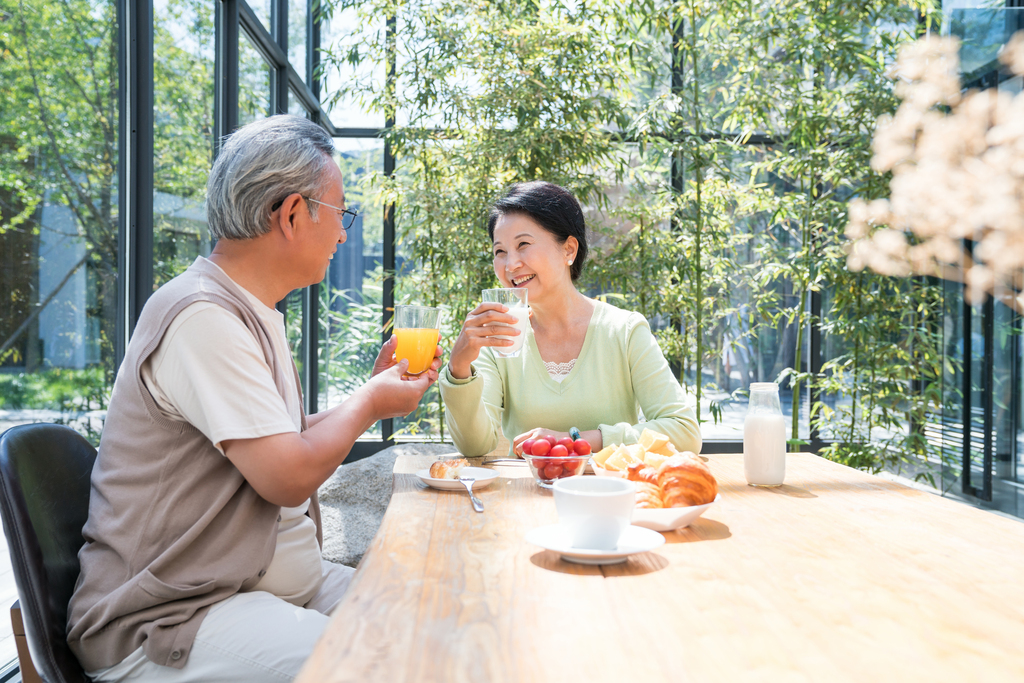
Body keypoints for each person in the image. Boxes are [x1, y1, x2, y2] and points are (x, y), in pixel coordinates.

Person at [66, 115, 441, 682]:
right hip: (172, 618)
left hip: (257, 591)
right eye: (342, 215)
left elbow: (279, 437)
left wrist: (372, 390)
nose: (344, 234)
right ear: (291, 214)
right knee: (383, 663)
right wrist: (369, 402)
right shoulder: (202, 317)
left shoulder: (247, 309)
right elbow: (287, 475)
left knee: (438, 622)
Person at [440, 180, 701, 458]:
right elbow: (474, 446)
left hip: (609, 496)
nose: (510, 264)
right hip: (525, 498)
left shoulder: (624, 331)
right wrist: (459, 367)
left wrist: (574, 440)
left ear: (569, 250)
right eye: (499, 251)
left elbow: (683, 432)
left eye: (523, 244)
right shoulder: (499, 336)